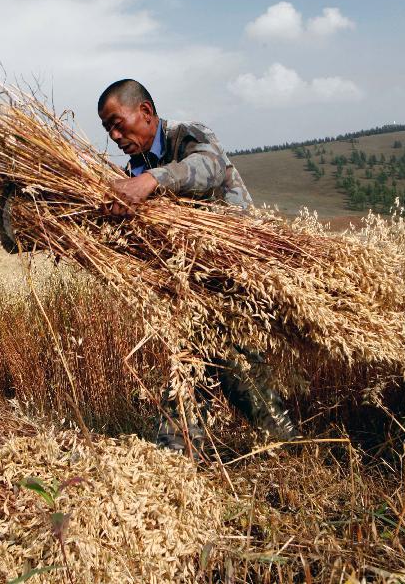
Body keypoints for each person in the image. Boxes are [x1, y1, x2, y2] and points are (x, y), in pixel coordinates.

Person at [97, 78, 298, 454]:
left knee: (238, 374)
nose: (113, 134)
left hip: (237, 272)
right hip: (194, 287)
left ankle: (285, 449)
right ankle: (178, 456)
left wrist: (151, 181)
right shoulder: (135, 168)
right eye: (107, 128)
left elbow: (208, 168)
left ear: (145, 112)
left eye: (117, 122)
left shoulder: (187, 137)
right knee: (195, 366)